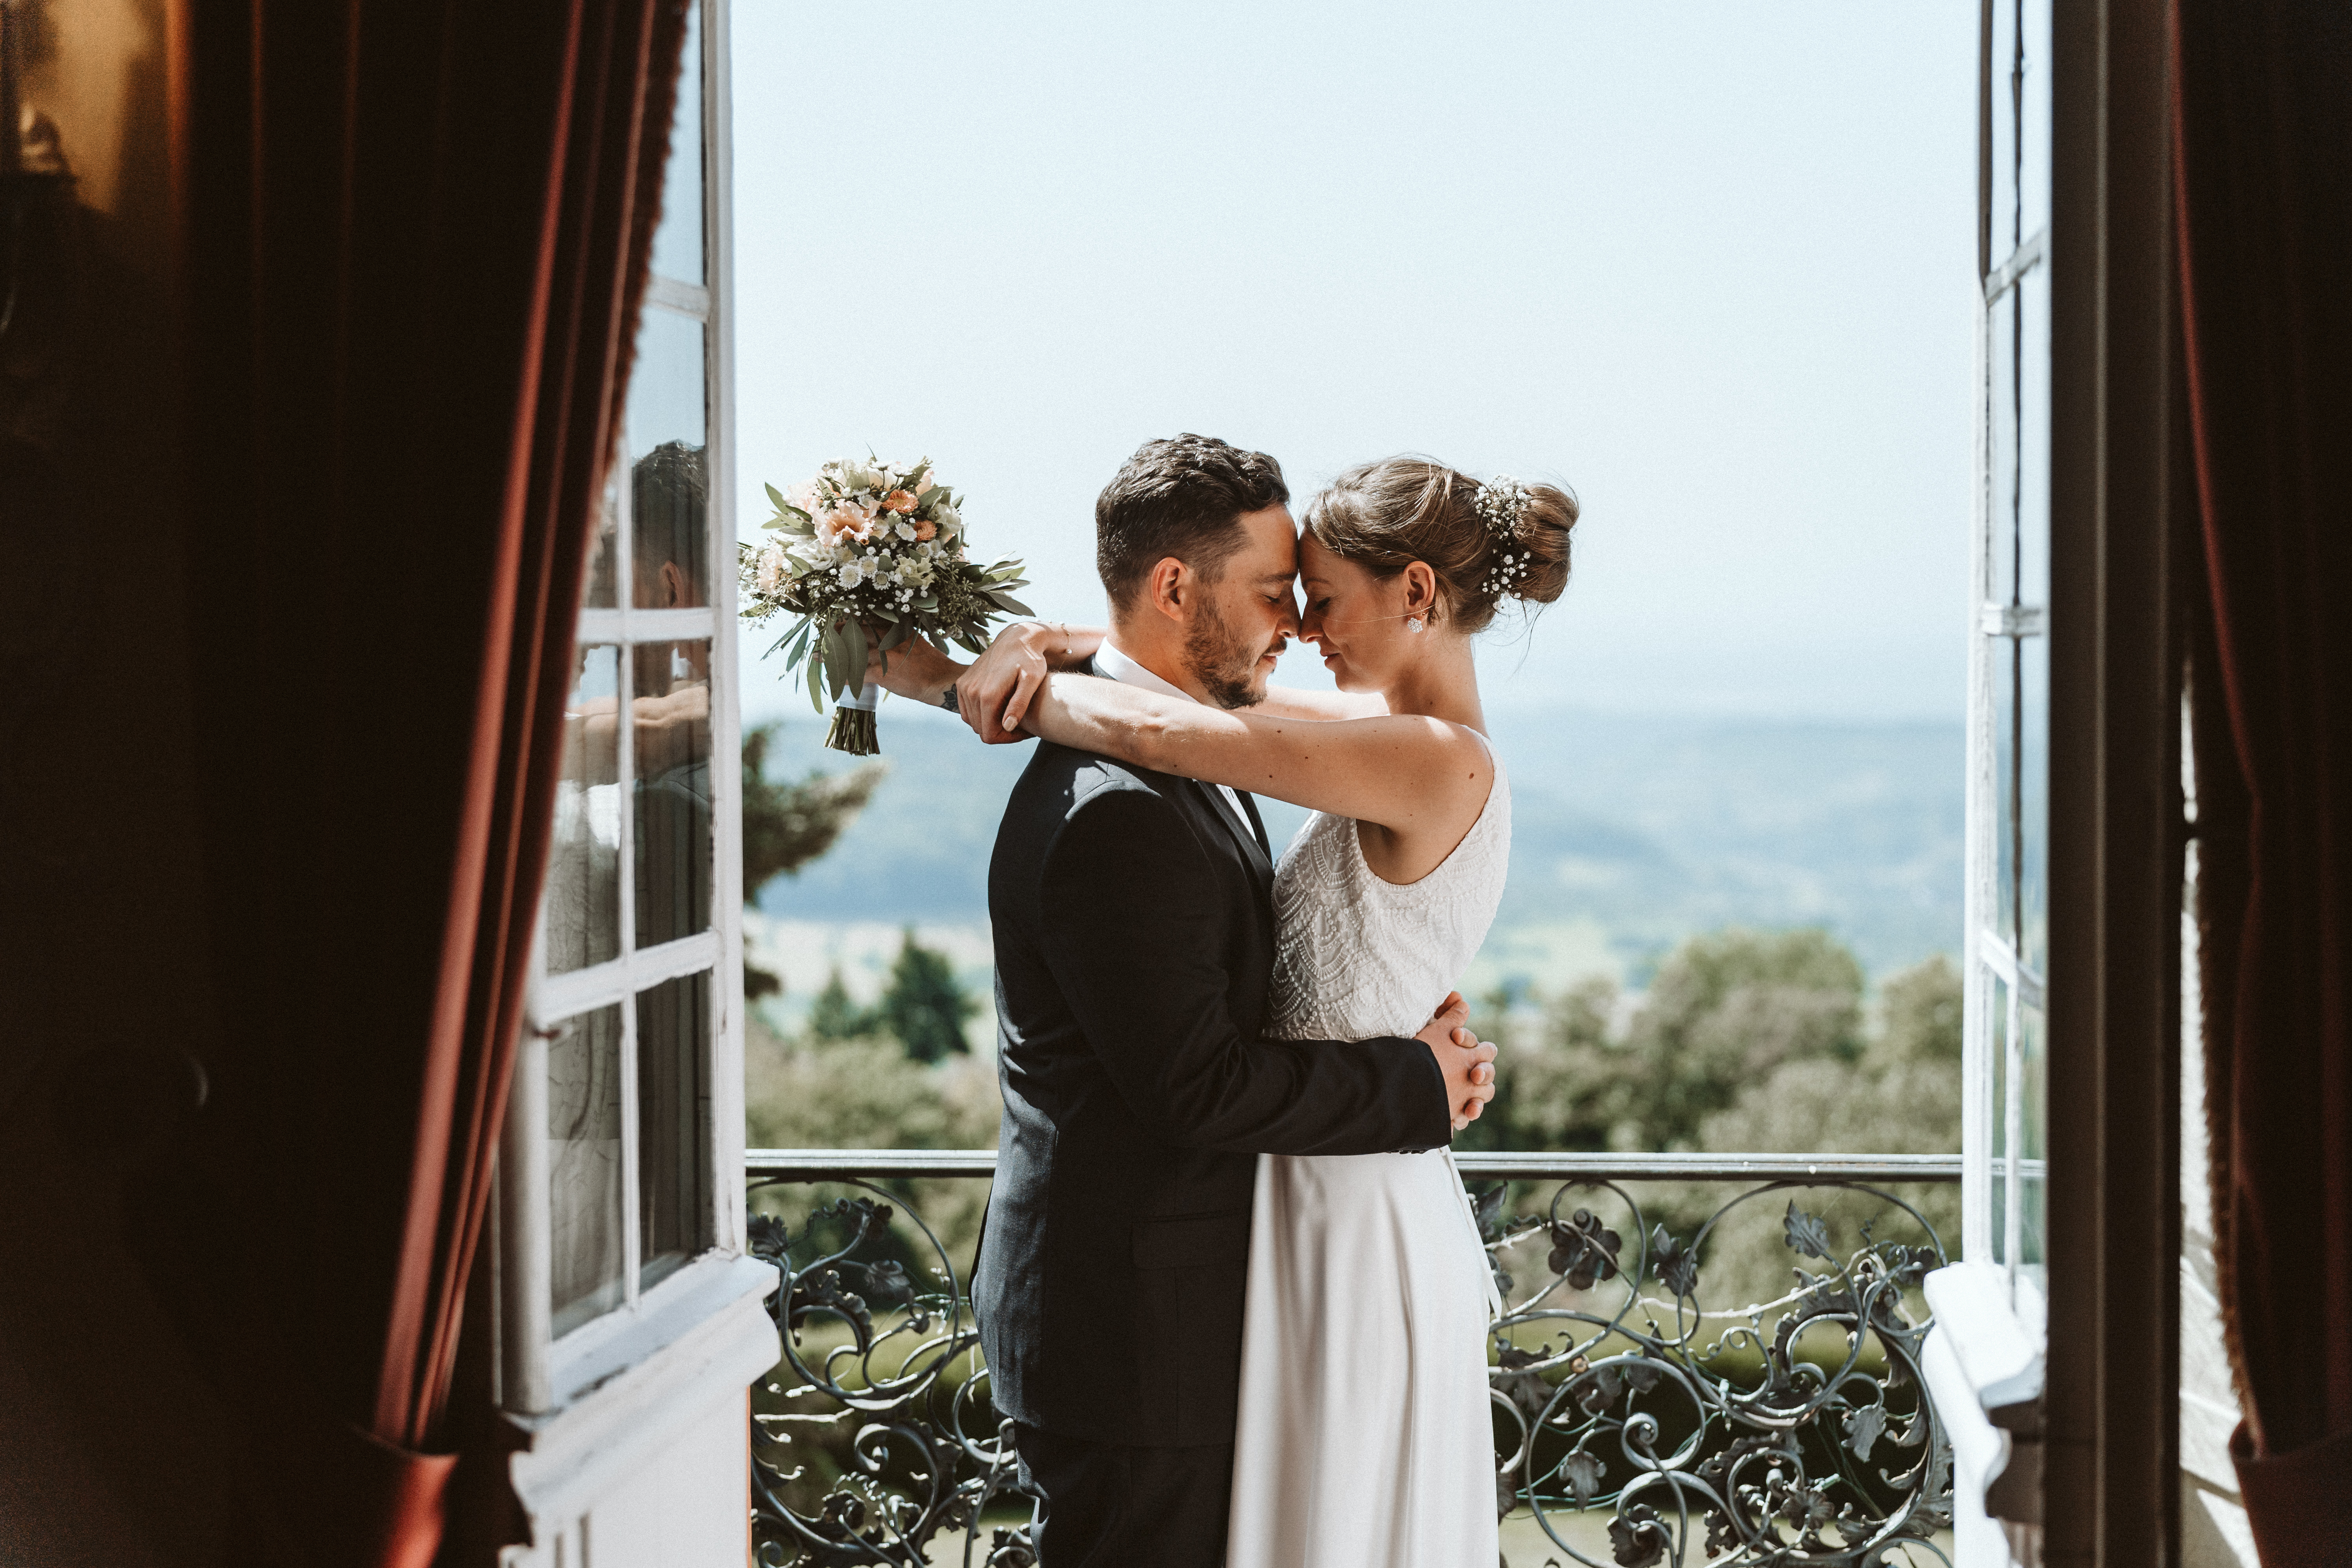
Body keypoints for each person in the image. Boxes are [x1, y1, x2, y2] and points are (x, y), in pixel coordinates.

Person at [869, 434, 1575, 1566]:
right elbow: (1184, 706)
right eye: (1287, 594)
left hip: (1339, 1212)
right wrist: (1045, 648)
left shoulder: (1434, 756)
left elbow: (1168, 728)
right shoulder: (1370, 739)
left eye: (1322, 597)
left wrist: (970, 684)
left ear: (1418, 592)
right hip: (1248, 1238)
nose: (1303, 623)